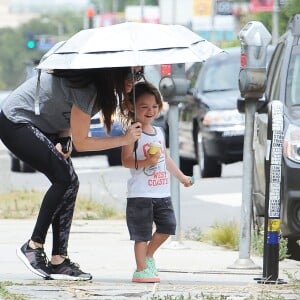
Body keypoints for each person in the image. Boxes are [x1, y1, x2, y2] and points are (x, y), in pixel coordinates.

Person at [0, 66, 143, 281]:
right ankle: (33, 246)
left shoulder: (101, 90)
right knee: (64, 179)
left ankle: (58, 260)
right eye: (132, 74)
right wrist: (124, 140)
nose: (135, 79)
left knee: (69, 182)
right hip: (15, 121)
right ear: (114, 71)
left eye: (140, 74)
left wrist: (63, 138)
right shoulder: (89, 88)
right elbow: (83, 143)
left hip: (41, 125)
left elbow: (64, 112)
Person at [121, 81, 194, 283]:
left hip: (161, 193)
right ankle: (141, 269)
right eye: (144, 107)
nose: (150, 111)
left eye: (154, 106)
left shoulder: (159, 132)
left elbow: (166, 159)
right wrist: (147, 161)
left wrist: (181, 177)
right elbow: (126, 161)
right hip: (141, 195)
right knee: (141, 235)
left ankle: (148, 256)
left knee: (168, 227)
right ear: (131, 107)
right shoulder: (133, 132)